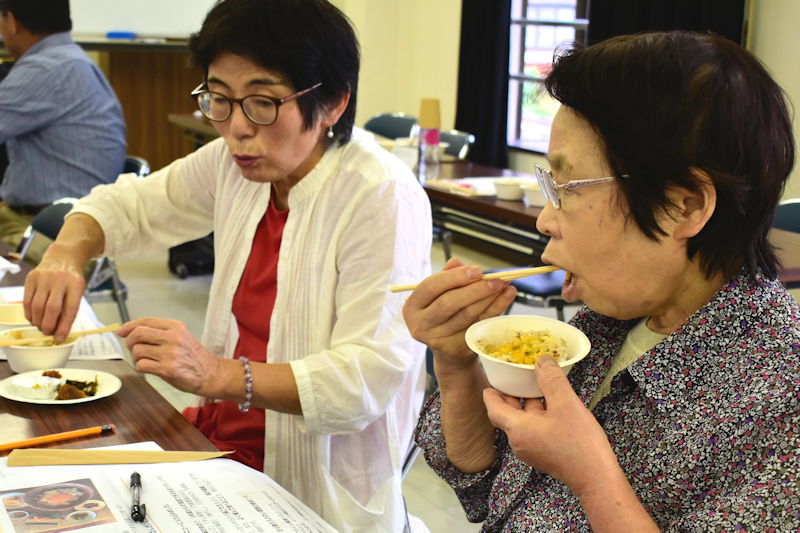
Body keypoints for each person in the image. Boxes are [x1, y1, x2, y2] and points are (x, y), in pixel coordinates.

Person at [23, 0, 431, 531]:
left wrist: (217, 373)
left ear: (332, 102)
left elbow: (362, 382)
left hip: (305, 482)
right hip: (218, 440)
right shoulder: (235, 165)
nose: (236, 128)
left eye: (262, 102)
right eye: (219, 99)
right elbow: (131, 206)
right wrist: (66, 252)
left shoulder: (379, 195)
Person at [403, 31, 800, 532]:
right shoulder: (610, 321)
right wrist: (458, 366)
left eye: (566, 187)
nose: (546, 220)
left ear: (686, 206)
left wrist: (591, 477)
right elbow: (486, 490)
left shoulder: (781, 405)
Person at [0, 0, 126, 248]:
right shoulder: (67, 60)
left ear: (12, 23)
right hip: (50, 217)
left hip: (51, 229)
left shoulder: (45, 69)